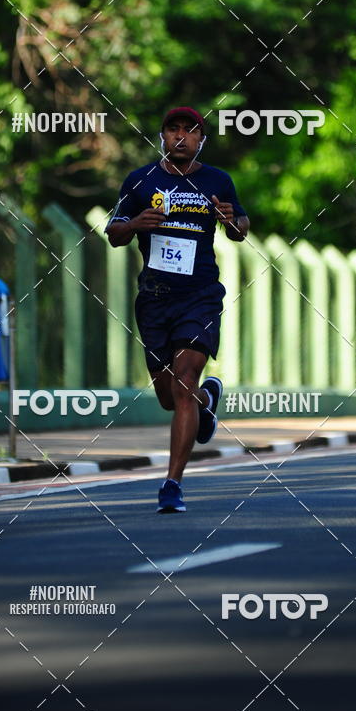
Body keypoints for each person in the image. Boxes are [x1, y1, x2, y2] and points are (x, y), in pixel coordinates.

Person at [106, 107, 249, 512]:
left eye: (191, 130)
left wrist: (232, 221)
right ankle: (206, 401)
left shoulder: (217, 180)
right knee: (170, 397)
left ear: (201, 139)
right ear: (162, 136)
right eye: (173, 129)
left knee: (184, 382)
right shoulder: (140, 180)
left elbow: (240, 228)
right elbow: (114, 233)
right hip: (154, 299)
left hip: (200, 295)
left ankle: (172, 484)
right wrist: (135, 224)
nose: (181, 137)